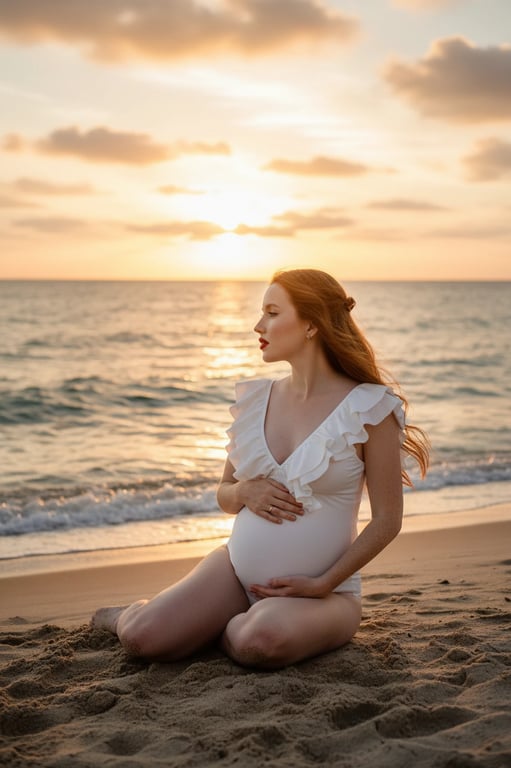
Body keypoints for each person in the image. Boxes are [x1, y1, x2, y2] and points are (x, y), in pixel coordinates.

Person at [92, 268, 429, 669]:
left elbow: (388, 520)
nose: (258, 325)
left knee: (261, 642)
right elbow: (224, 494)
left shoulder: (370, 408)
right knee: (142, 637)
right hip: (233, 573)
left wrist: (324, 583)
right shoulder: (256, 401)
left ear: (311, 324)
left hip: (324, 598)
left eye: (272, 312)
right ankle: (128, 615)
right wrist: (243, 492)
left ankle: (212, 628)